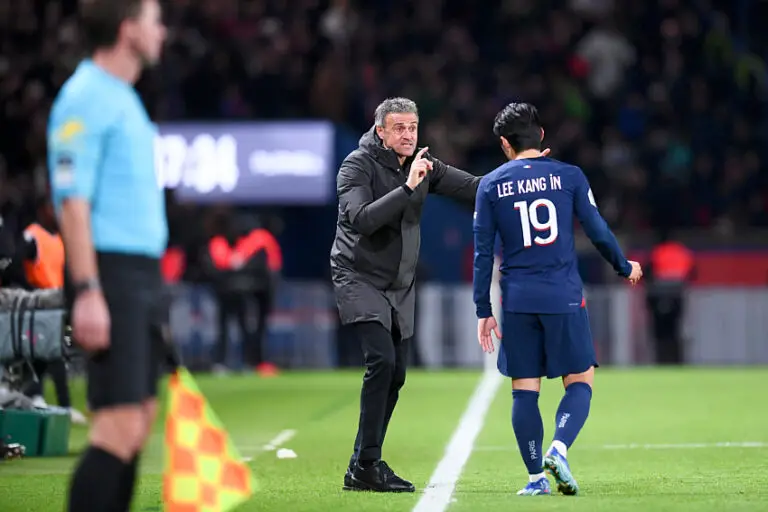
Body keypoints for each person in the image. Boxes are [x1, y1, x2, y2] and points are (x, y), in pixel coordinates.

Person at [331, 97, 549, 492]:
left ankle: (362, 465)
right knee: (381, 360)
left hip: (398, 283)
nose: (408, 135)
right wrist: (409, 186)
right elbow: (361, 220)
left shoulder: (423, 163)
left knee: (396, 373)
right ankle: (367, 463)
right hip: (358, 275)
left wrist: (523, 169)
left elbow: (475, 187)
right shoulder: (356, 166)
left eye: (413, 127)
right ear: (380, 131)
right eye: (399, 128)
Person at [472, 103, 642, 497]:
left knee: (524, 388)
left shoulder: (491, 185)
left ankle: (536, 479)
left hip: (517, 301)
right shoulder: (569, 175)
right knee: (580, 379)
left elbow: (483, 253)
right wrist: (623, 266)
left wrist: (483, 309)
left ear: (505, 144)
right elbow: (596, 229)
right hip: (563, 295)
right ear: (542, 135)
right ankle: (559, 449)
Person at [47, 1, 168, 511]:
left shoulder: (124, 98)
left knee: (137, 420)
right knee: (117, 425)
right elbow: (73, 202)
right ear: (128, 29)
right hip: (110, 274)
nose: (162, 31)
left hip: (140, 274)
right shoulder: (85, 97)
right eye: (154, 20)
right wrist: (88, 289)